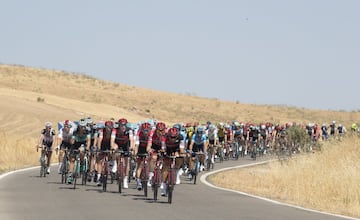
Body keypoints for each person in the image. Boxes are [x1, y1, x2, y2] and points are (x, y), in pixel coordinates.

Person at [160, 127, 185, 196]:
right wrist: (164, 152)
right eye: (171, 137)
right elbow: (163, 148)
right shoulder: (164, 137)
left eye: (174, 137)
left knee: (180, 158)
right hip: (167, 149)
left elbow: (182, 149)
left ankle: (176, 172)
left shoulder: (180, 137)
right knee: (166, 165)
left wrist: (180, 153)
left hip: (176, 149)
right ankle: (163, 185)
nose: (172, 139)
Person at [111, 118, 134, 189]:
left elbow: (132, 140)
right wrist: (112, 147)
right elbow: (112, 140)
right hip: (117, 143)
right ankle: (114, 163)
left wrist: (131, 148)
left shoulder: (129, 130)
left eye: (124, 125)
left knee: (127, 162)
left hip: (125, 145)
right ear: (119, 125)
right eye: (121, 125)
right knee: (115, 148)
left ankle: (125, 180)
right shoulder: (115, 130)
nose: (123, 127)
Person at [67, 118, 91, 184]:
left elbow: (88, 141)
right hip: (76, 144)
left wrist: (88, 148)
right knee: (72, 159)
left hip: (83, 143)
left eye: (84, 126)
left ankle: (82, 164)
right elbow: (72, 141)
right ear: (79, 126)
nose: (82, 128)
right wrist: (72, 141)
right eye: (81, 126)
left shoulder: (87, 131)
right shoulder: (75, 131)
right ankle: (70, 175)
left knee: (82, 151)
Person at [134, 122, 152, 190]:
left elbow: (150, 145)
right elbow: (136, 145)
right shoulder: (139, 134)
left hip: (148, 147)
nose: (145, 132)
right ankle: (138, 182)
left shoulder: (151, 134)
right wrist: (135, 154)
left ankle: (149, 176)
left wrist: (149, 151)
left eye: (147, 130)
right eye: (144, 130)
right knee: (139, 165)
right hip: (140, 148)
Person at [147, 122, 166, 187]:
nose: (160, 132)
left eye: (162, 130)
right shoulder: (152, 133)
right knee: (153, 158)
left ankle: (163, 179)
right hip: (154, 146)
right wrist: (149, 149)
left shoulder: (166, 134)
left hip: (164, 147)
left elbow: (164, 146)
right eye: (159, 130)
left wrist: (164, 151)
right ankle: (151, 175)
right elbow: (149, 143)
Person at [95, 120, 114, 186]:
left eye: (110, 127)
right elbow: (99, 141)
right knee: (99, 160)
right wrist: (99, 149)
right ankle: (98, 176)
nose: (109, 128)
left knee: (112, 152)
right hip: (103, 143)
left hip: (110, 144)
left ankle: (111, 164)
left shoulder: (113, 132)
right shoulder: (102, 131)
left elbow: (112, 142)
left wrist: (112, 149)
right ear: (105, 127)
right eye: (107, 127)